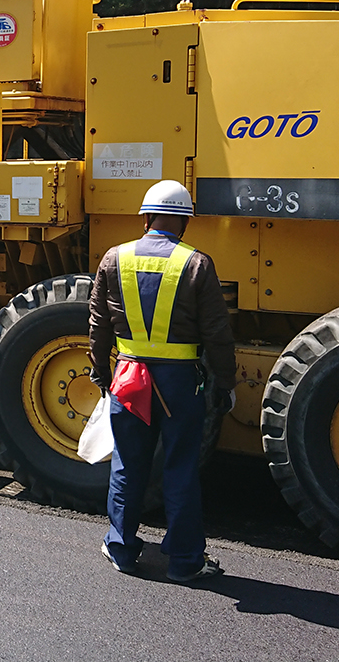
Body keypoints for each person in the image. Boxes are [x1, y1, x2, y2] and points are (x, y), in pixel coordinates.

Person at [87, 179, 236, 582]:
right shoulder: (197, 264)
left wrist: (101, 372)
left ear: (145, 216)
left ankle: (121, 549)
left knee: (127, 465)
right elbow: (217, 333)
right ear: (185, 223)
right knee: (180, 468)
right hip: (180, 383)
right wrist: (225, 382)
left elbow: (98, 326)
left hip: (129, 381)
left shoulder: (114, 258)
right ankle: (186, 561)